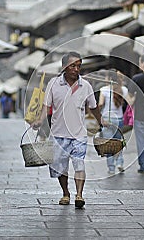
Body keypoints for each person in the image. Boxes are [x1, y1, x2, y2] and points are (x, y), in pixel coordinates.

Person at [32, 51, 102, 209]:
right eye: (72, 66)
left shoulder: (86, 86)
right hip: (58, 133)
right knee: (61, 168)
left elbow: (93, 107)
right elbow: (46, 106)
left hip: (79, 134)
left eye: (79, 66)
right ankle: (65, 193)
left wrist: (101, 121)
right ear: (64, 67)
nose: (76, 69)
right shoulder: (53, 84)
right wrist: (40, 120)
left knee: (79, 164)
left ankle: (79, 195)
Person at [99, 69, 128, 174]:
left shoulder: (104, 90)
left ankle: (111, 168)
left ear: (109, 79)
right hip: (119, 120)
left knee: (109, 145)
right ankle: (120, 163)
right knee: (118, 143)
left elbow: (100, 104)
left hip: (107, 120)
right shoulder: (123, 89)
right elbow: (130, 102)